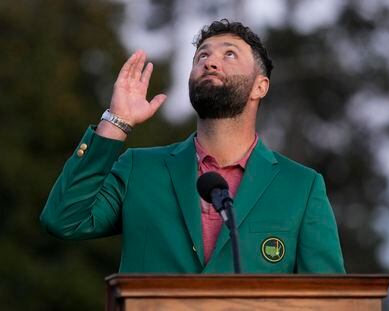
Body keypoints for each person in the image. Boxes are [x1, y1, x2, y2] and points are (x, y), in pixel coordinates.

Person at [40, 19, 345, 274]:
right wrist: (116, 120)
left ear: (260, 86)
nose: (210, 61)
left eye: (229, 55)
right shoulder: (139, 169)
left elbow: (331, 301)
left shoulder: (301, 188)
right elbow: (65, 219)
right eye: (202, 55)